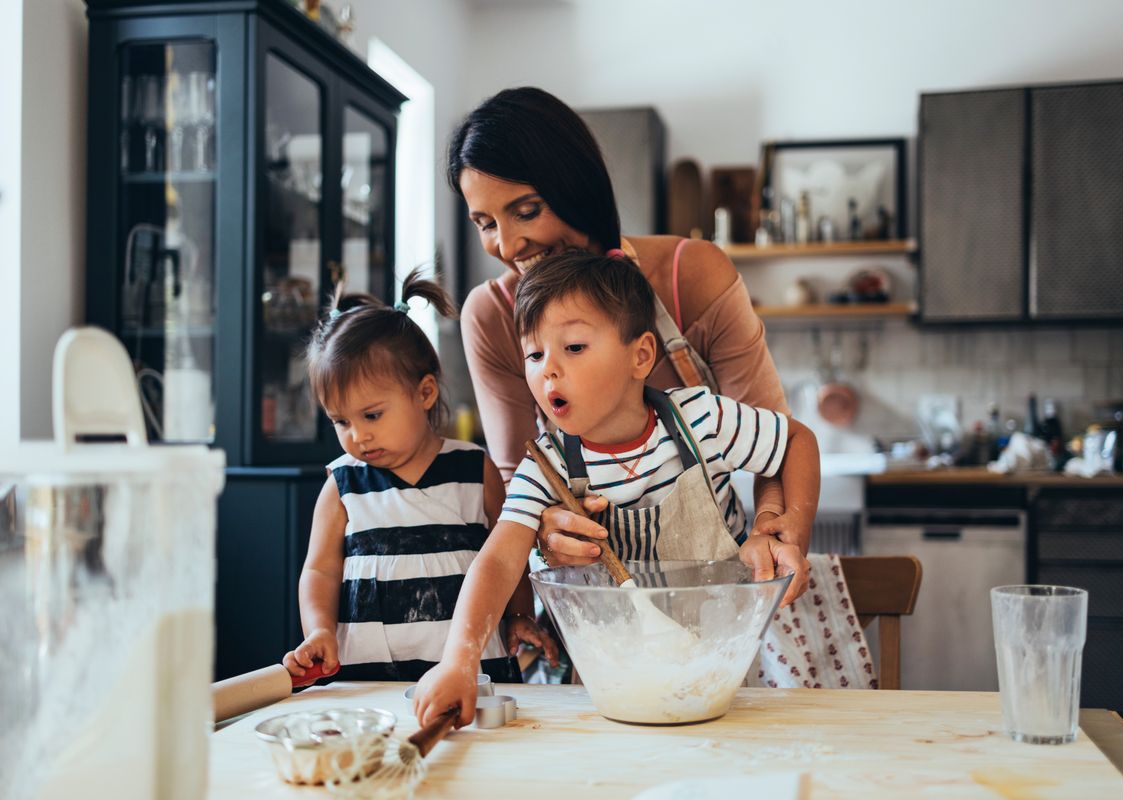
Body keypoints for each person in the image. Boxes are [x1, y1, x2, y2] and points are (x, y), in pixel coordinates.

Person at [413, 251, 819, 727]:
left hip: (725, 661)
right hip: (611, 681)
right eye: (535, 354)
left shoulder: (701, 420)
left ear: (641, 355)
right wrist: (458, 662)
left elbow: (795, 439)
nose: (549, 370)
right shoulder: (548, 467)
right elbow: (499, 561)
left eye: (575, 347)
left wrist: (787, 527)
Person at [451, 87, 809, 566]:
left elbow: (781, 447)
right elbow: (520, 478)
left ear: (575, 186)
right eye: (485, 222)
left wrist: (771, 528)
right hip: (597, 604)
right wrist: (546, 530)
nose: (508, 245)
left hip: (721, 594)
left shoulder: (692, 275)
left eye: (527, 211)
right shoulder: (491, 315)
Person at [282, 272, 557, 685]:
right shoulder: (342, 485)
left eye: (371, 415)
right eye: (341, 421)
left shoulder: (473, 468)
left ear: (425, 392)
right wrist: (320, 630)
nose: (358, 436)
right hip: (369, 672)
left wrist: (518, 614)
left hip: (473, 667)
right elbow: (320, 571)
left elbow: (508, 554)